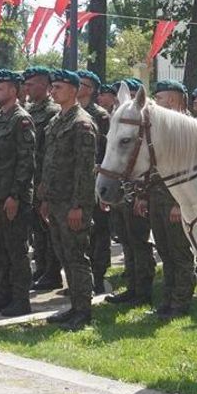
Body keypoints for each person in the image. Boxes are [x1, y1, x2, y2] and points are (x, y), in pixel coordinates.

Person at [39, 70, 97, 330]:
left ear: (74, 90)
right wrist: (46, 199)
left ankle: (84, 311)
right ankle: (74, 305)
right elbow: (50, 162)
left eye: (59, 87)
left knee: (76, 256)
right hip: (56, 201)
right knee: (64, 255)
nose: (53, 91)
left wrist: (79, 206)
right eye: (52, 87)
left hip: (73, 203)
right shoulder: (57, 120)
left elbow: (84, 171)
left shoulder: (81, 123)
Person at [0, 70, 36, 317]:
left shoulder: (21, 120)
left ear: (14, 91)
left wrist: (15, 195)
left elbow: (26, 162)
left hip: (11, 198)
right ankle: (2, 295)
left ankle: (20, 299)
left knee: (16, 250)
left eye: (0, 88)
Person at [142, 80, 197, 320]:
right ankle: (167, 299)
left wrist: (180, 203)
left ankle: (181, 303)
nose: (156, 102)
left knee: (180, 253)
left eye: (160, 98)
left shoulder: (188, 127)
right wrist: (143, 197)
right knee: (164, 252)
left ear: (173, 99)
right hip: (157, 197)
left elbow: (191, 169)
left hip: (177, 201)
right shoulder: (161, 127)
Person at [107, 78, 156, 308]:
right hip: (125, 193)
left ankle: (144, 290)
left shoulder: (149, 128)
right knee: (127, 241)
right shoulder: (121, 122)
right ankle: (133, 286)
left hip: (138, 194)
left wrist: (141, 196)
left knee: (139, 241)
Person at [24, 66, 63, 291]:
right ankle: (41, 268)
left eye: (31, 84)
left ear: (43, 85)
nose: (27, 88)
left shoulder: (51, 111)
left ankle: (52, 271)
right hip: (30, 176)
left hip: (43, 178)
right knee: (37, 229)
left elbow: (50, 151)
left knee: (47, 229)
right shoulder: (30, 109)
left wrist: (44, 182)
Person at [78, 70, 111, 294]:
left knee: (99, 232)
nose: (77, 86)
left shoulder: (100, 115)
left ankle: (98, 278)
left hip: (97, 182)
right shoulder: (72, 112)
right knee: (83, 234)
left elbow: (108, 151)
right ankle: (83, 279)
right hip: (79, 184)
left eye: (82, 84)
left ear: (90, 89)